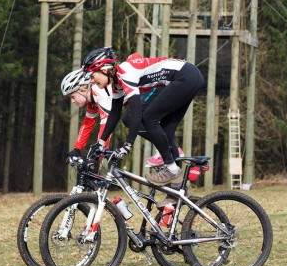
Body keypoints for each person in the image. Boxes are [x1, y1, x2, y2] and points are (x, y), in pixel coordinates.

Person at [82, 47, 204, 186]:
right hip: (189, 76)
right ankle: (178, 189)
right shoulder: (117, 82)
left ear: (103, 69)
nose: (91, 81)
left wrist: (128, 145)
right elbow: (114, 113)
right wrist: (101, 143)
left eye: (92, 76)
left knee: (148, 119)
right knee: (165, 131)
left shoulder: (125, 73)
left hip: (184, 77)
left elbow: (136, 111)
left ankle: (172, 169)